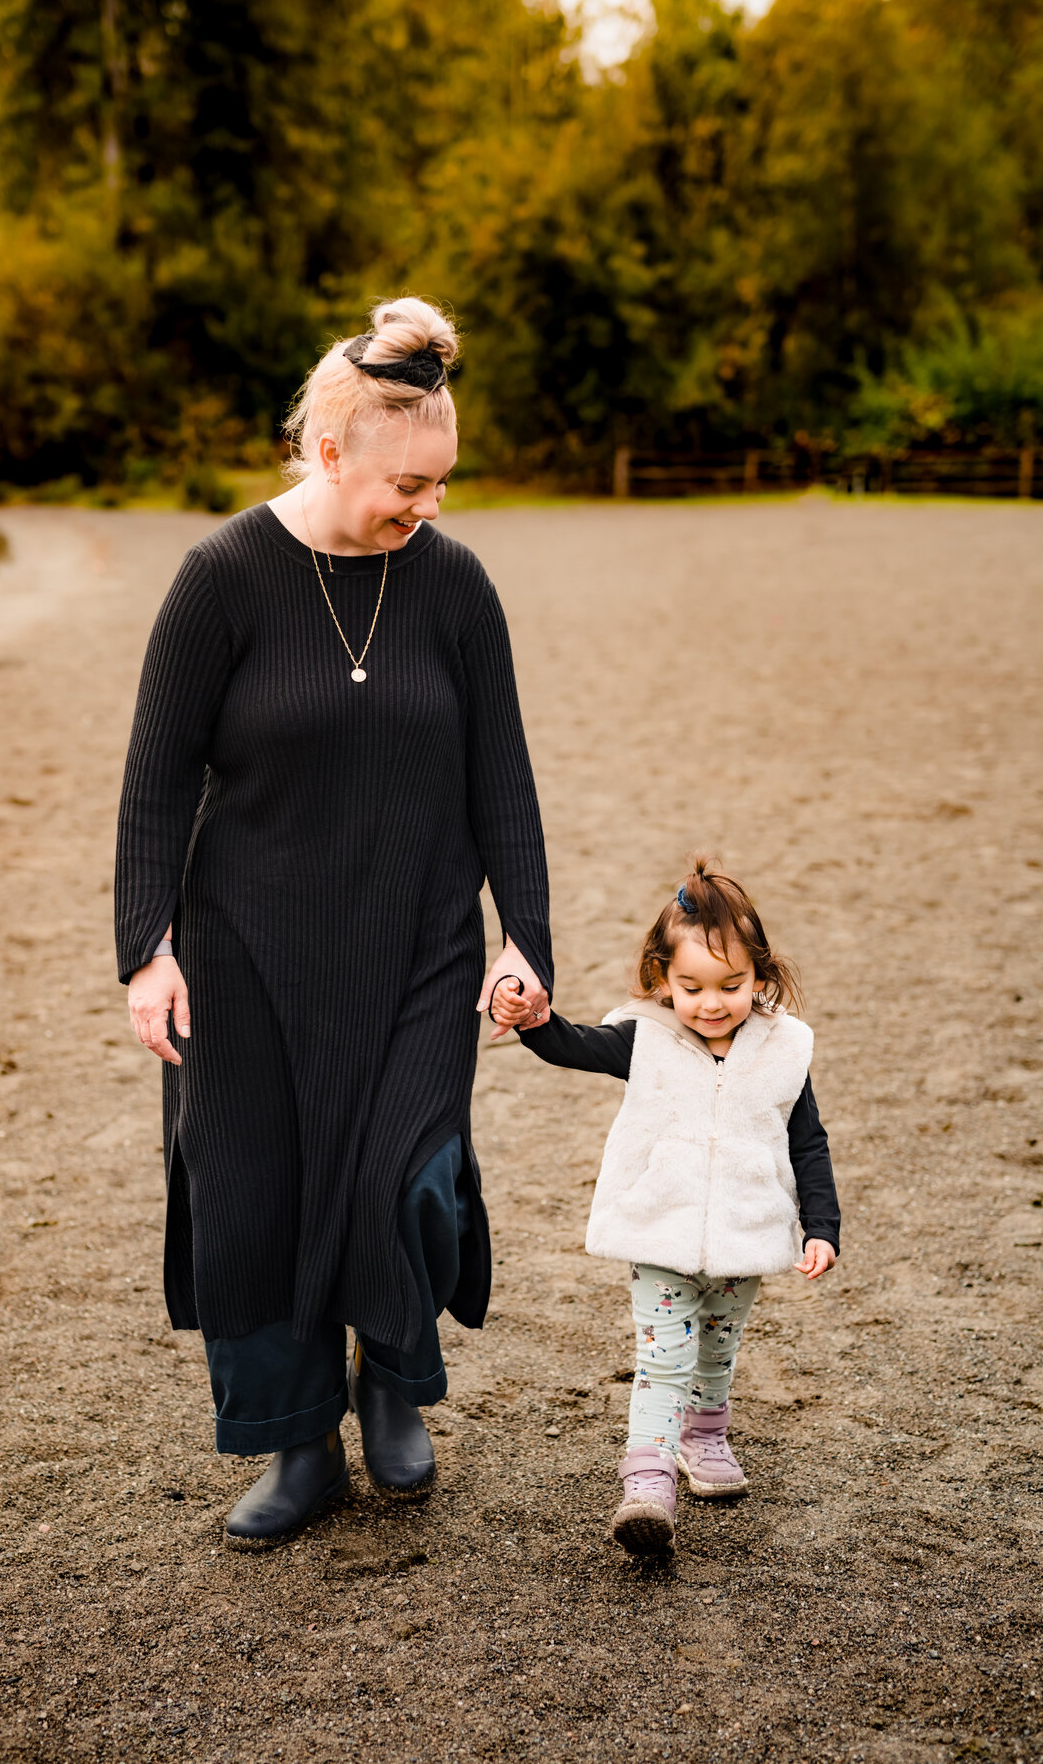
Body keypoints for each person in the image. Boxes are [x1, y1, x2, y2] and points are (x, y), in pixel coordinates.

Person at [116, 297, 552, 1547]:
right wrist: (147, 952)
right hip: (242, 954)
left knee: (405, 1177)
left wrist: (524, 934)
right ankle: (296, 1447)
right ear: (327, 455)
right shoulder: (222, 580)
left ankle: (393, 1382)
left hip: (416, 946)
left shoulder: (455, 588)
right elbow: (154, 782)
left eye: (442, 483)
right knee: (251, 1194)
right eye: (406, 483)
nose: (427, 506)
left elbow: (502, 779)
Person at [489, 857, 840, 1558]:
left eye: (731, 987)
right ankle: (647, 1482)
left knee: (716, 1350)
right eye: (691, 987)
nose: (712, 1003)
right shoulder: (644, 1038)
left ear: (761, 979)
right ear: (661, 979)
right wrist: (535, 1020)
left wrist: (821, 1228)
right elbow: (573, 1045)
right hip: (661, 1233)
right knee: (665, 1358)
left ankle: (705, 1438)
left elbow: (809, 1145)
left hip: (745, 1237)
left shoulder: (784, 1052)